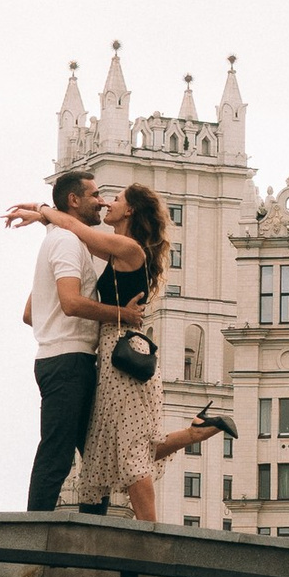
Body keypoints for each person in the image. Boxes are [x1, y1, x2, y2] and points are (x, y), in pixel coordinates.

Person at [64, 179, 234, 522]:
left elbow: (76, 228)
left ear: (130, 210)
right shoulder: (121, 248)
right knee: (129, 441)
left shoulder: (131, 249)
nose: (107, 203)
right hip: (118, 349)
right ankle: (198, 430)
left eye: (116, 199)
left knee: (129, 451)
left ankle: (150, 533)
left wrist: (43, 213)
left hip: (122, 351)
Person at [9, 176, 142, 511]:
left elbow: (30, 313)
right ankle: (33, 534)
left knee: (94, 455)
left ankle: (92, 528)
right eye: (95, 195)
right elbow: (70, 302)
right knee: (57, 453)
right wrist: (121, 314)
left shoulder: (65, 240)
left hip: (68, 358)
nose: (101, 200)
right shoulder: (67, 243)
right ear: (73, 200)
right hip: (68, 361)